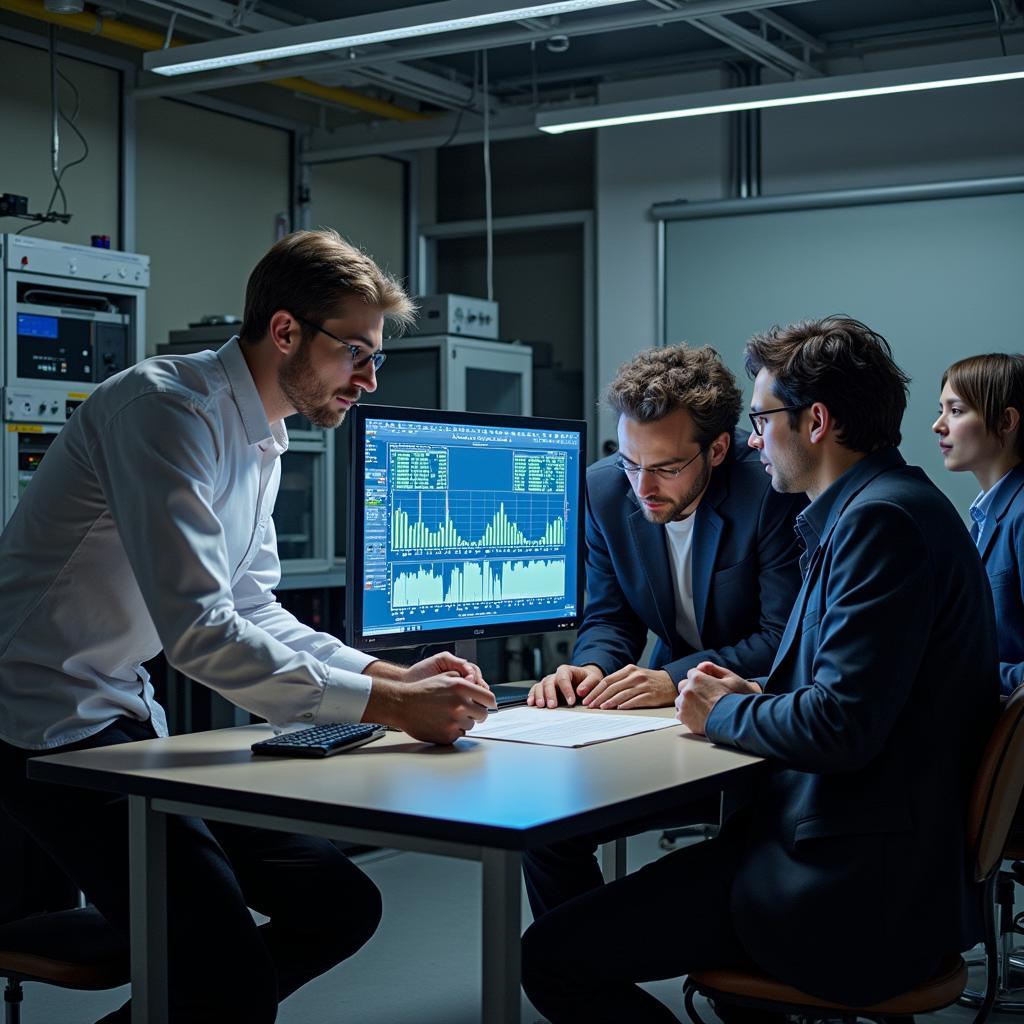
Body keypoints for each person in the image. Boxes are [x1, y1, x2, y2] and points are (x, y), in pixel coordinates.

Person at [0, 229, 495, 1024]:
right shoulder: (167, 410)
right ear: (286, 331)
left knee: (339, 906)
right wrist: (391, 708)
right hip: (34, 725)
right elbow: (199, 632)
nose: (368, 379)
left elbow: (253, 605)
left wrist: (389, 677)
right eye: (356, 353)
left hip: (118, 715)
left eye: (377, 358)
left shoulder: (263, 432)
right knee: (224, 978)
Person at [521, 316, 1000, 1023]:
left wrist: (720, 709)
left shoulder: (878, 525)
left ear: (816, 422)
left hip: (846, 885)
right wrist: (758, 693)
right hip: (857, 848)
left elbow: (840, 725)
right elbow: (843, 688)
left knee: (548, 959)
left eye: (760, 418)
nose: (751, 438)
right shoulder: (880, 508)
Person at [522, 344, 804, 917]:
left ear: (718, 449)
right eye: (631, 462)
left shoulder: (769, 495)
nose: (642, 487)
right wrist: (592, 667)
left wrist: (668, 678)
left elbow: (780, 638)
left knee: (743, 852)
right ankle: (581, 973)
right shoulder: (605, 490)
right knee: (547, 827)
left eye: (666, 467)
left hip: (759, 724)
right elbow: (609, 615)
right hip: (664, 726)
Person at [933, 353, 1024, 694]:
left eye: (955, 411)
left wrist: (960, 668)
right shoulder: (986, 516)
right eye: (940, 410)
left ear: (1005, 421)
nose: (938, 425)